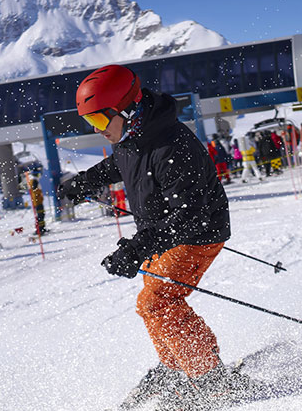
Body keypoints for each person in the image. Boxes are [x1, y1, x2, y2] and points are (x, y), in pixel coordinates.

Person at [58, 64, 248, 409]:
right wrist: (85, 182)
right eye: (91, 124)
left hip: (196, 234)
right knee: (151, 300)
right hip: (164, 233)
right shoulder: (134, 136)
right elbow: (121, 164)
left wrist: (137, 247)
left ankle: (210, 379)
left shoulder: (173, 146)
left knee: (158, 302)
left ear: (128, 109)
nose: (99, 131)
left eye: (101, 121)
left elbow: (190, 216)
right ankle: (177, 364)